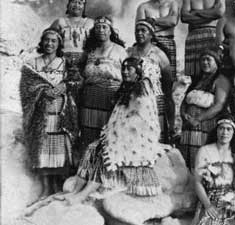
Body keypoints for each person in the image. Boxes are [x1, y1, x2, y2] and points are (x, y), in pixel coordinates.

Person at [57, 58, 163, 204]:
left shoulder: (143, 89)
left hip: (136, 140)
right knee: (92, 148)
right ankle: (75, 191)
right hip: (120, 134)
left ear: (138, 72)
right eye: (123, 68)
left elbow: (142, 121)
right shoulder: (127, 87)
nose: (125, 72)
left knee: (103, 153)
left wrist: (116, 137)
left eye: (129, 69)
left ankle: (83, 194)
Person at [20, 29, 78, 199]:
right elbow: (26, 88)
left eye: (53, 41)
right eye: (46, 40)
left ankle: (58, 186)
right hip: (42, 115)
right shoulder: (32, 64)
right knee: (43, 150)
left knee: (60, 150)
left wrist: (66, 86)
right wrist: (42, 90)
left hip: (61, 115)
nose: (49, 44)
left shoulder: (66, 63)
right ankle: (45, 188)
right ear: (41, 42)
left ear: (59, 44)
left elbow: (77, 81)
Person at [78, 16, 127, 160]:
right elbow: (82, 73)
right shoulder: (90, 51)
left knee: (107, 134)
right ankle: (87, 168)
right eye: (98, 27)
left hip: (110, 97)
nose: (101, 30)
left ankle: (105, 171)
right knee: (88, 134)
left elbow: (126, 74)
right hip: (90, 98)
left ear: (111, 30)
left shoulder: (120, 50)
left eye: (105, 27)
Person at [179, 48, 232, 170]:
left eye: (208, 59)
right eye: (202, 59)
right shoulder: (197, 80)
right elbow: (184, 101)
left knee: (202, 158)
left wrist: (198, 119)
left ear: (216, 62)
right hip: (189, 125)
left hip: (205, 125)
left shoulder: (221, 80)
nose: (205, 62)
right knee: (186, 158)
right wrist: (183, 114)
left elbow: (219, 105)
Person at [127, 19, 174, 143]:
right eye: (137, 31)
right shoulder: (129, 52)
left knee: (153, 141)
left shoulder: (160, 55)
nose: (139, 33)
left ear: (151, 34)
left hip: (155, 103)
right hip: (133, 102)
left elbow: (168, 85)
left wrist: (171, 118)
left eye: (143, 30)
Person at [181, 0, 225, 78]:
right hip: (194, 37)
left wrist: (195, 12)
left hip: (212, 36)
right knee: (195, 75)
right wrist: (210, 14)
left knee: (214, 72)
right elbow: (184, 17)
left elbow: (219, 12)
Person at [135, 0, 179, 80]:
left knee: (168, 78)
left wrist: (152, 20)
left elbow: (172, 21)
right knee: (146, 75)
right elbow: (141, 27)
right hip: (149, 44)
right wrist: (164, 22)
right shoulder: (143, 7)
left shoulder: (172, 4)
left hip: (168, 42)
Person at [50, 0, 94, 97]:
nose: (76, 5)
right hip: (63, 63)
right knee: (61, 95)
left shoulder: (90, 23)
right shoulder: (59, 22)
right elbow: (49, 40)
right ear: (68, 5)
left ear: (84, 7)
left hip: (84, 64)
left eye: (80, 3)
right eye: (73, 2)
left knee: (82, 95)